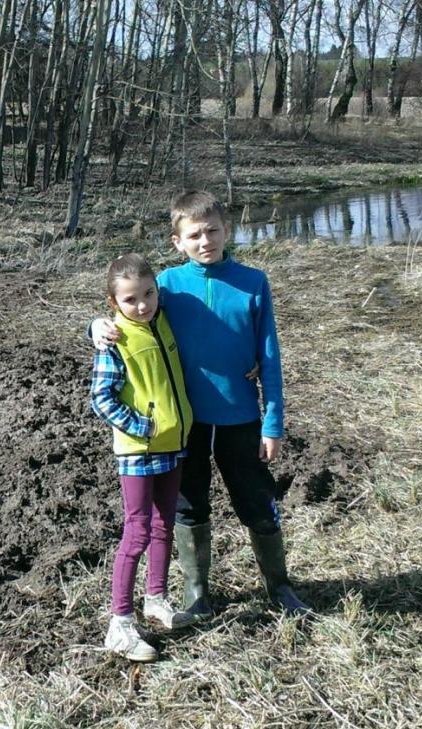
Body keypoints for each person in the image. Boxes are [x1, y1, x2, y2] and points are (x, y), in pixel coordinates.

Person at [91, 190, 311, 619]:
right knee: (189, 505)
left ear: (227, 230)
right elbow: (126, 312)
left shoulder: (253, 283)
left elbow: (270, 357)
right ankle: (197, 594)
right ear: (177, 241)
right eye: (194, 234)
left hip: (241, 416)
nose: (205, 241)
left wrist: (273, 422)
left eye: (213, 231)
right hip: (184, 423)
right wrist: (95, 326)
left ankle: (279, 586)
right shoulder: (168, 286)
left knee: (255, 499)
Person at [91, 253, 198, 663]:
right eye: (131, 299)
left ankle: (156, 598)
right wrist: (143, 426)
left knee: (163, 525)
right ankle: (119, 624)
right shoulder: (115, 339)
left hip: (173, 443)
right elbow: (101, 398)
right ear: (113, 302)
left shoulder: (162, 320)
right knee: (136, 532)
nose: (143, 304)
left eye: (149, 294)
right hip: (139, 450)